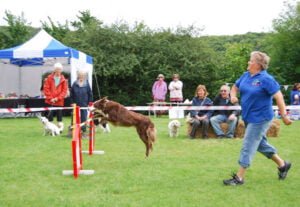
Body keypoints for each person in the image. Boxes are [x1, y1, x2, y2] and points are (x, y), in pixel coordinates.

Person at [223, 51, 292, 186]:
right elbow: (234, 87)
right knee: (260, 144)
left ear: (258, 64)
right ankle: (282, 165)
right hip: (248, 116)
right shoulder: (246, 76)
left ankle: (239, 178)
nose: (248, 62)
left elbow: (279, 97)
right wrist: (232, 95)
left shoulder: (266, 79)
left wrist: (284, 115)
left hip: (261, 118)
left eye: (250, 60)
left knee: (248, 144)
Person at [43, 62, 68, 130]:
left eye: (59, 69)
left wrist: (57, 98)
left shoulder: (64, 80)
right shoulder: (49, 78)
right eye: (57, 69)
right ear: (54, 70)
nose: (58, 71)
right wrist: (51, 98)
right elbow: (46, 89)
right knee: (49, 117)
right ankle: (50, 129)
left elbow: (64, 91)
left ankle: (60, 130)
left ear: (61, 70)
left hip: (59, 101)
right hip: (50, 101)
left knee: (59, 117)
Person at [70, 70, 93, 138]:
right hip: (75, 104)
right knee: (74, 117)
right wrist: (72, 102)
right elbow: (71, 94)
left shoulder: (87, 83)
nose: (81, 76)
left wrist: (89, 103)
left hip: (84, 104)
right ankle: (73, 131)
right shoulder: (74, 83)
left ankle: (83, 132)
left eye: (83, 75)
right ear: (78, 76)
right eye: (80, 75)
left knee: (84, 118)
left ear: (85, 76)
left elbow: (90, 94)